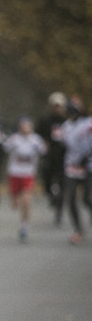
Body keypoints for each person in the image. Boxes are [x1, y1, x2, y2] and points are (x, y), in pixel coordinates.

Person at [2, 116, 47, 243]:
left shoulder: (36, 140)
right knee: (15, 204)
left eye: (28, 125)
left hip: (28, 175)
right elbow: (5, 148)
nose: (25, 128)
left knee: (26, 200)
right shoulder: (14, 139)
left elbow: (44, 151)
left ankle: (24, 226)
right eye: (23, 125)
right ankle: (17, 203)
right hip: (14, 174)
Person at [60, 100, 92, 244]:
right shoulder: (66, 127)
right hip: (72, 166)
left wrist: (86, 157)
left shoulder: (88, 124)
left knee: (87, 198)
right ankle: (78, 230)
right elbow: (64, 147)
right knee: (71, 197)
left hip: (88, 165)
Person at [35, 92, 69, 225]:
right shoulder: (45, 120)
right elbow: (37, 136)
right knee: (47, 182)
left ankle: (59, 211)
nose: (57, 109)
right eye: (55, 106)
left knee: (61, 184)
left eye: (60, 106)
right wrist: (43, 143)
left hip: (63, 158)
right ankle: (51, 196)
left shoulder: (67, 122)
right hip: (49, 156)